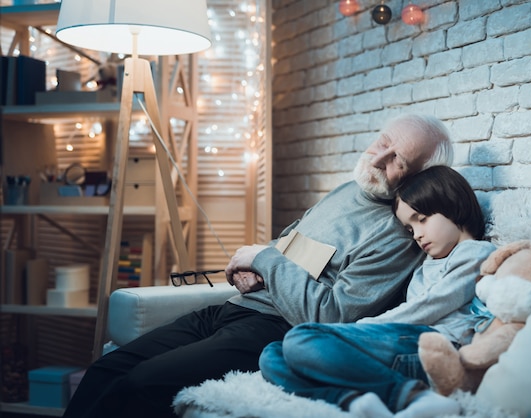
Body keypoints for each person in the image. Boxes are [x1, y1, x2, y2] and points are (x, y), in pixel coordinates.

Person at [63, 113, 453, 418]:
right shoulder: (350, 189)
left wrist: (263, 259)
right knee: (107, 368)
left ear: (418, 175)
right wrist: (256, 265)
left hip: (273, 329)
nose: (378, 159)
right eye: (381, 143)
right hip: (235, 308)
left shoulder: (398, 235)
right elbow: (291, 240)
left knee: (141, 383)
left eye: (397, 159)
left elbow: (334, 315)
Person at [259, 165, 496, 418]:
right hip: (402, 341)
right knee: (272, 354)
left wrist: (360, 329)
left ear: (453, 205)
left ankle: (411, 395)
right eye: (410, 229)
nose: (417, 234)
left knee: (301, 338)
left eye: (421, 219)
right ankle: (354, 401)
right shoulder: (427, 263)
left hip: (434, 346)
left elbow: (431, 305)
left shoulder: (476, 253)